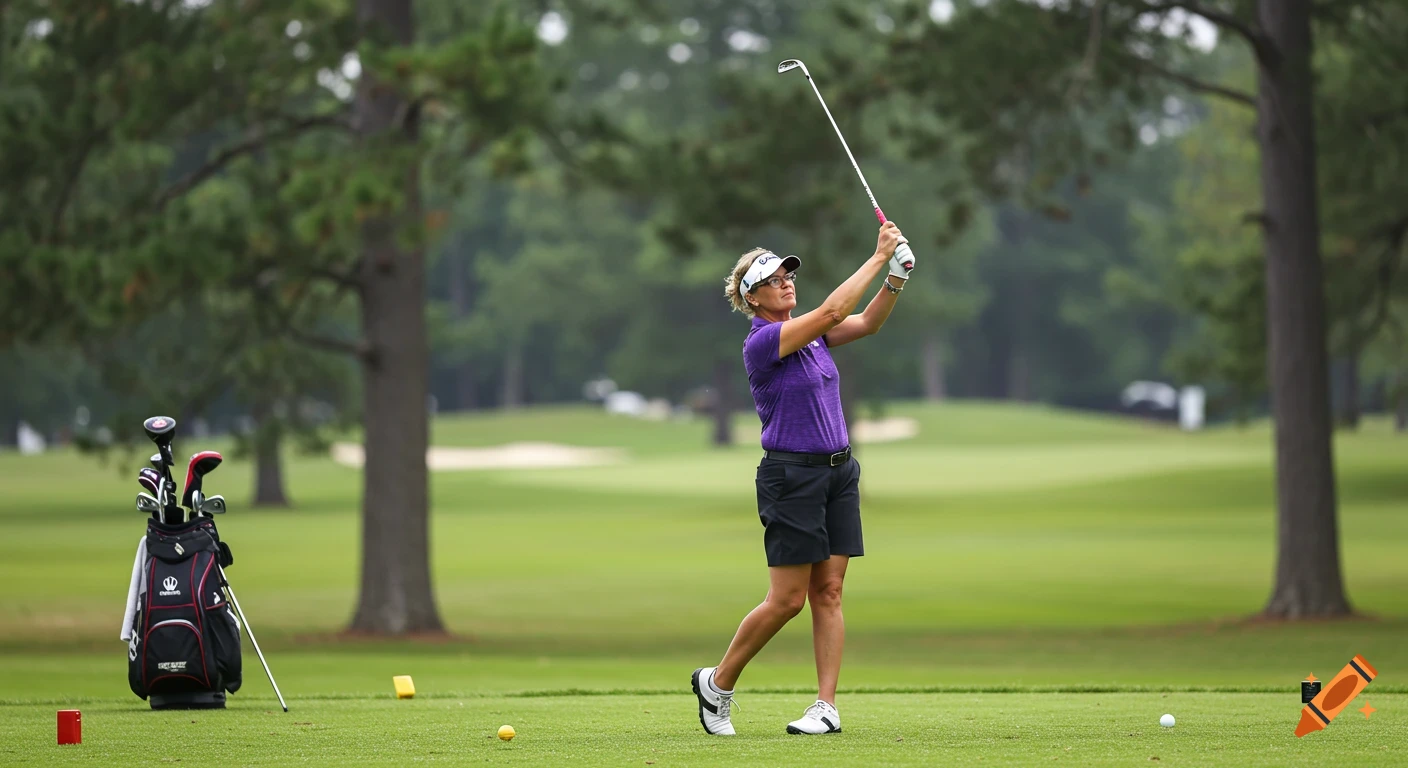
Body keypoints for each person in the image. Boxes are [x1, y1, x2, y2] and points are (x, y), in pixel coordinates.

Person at [693, 221, 913, 736]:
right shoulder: (766, 341)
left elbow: (864, 323)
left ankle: (825, 707)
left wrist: (896, 280)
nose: (787, 282)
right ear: (753, 298)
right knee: (788, 600)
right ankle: (717, 683)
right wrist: (879, 255)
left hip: (839, 472)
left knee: (829, 591)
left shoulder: (812, 337)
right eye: (773, 280)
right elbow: (835, 310)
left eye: (788, 275)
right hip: (791, 477)